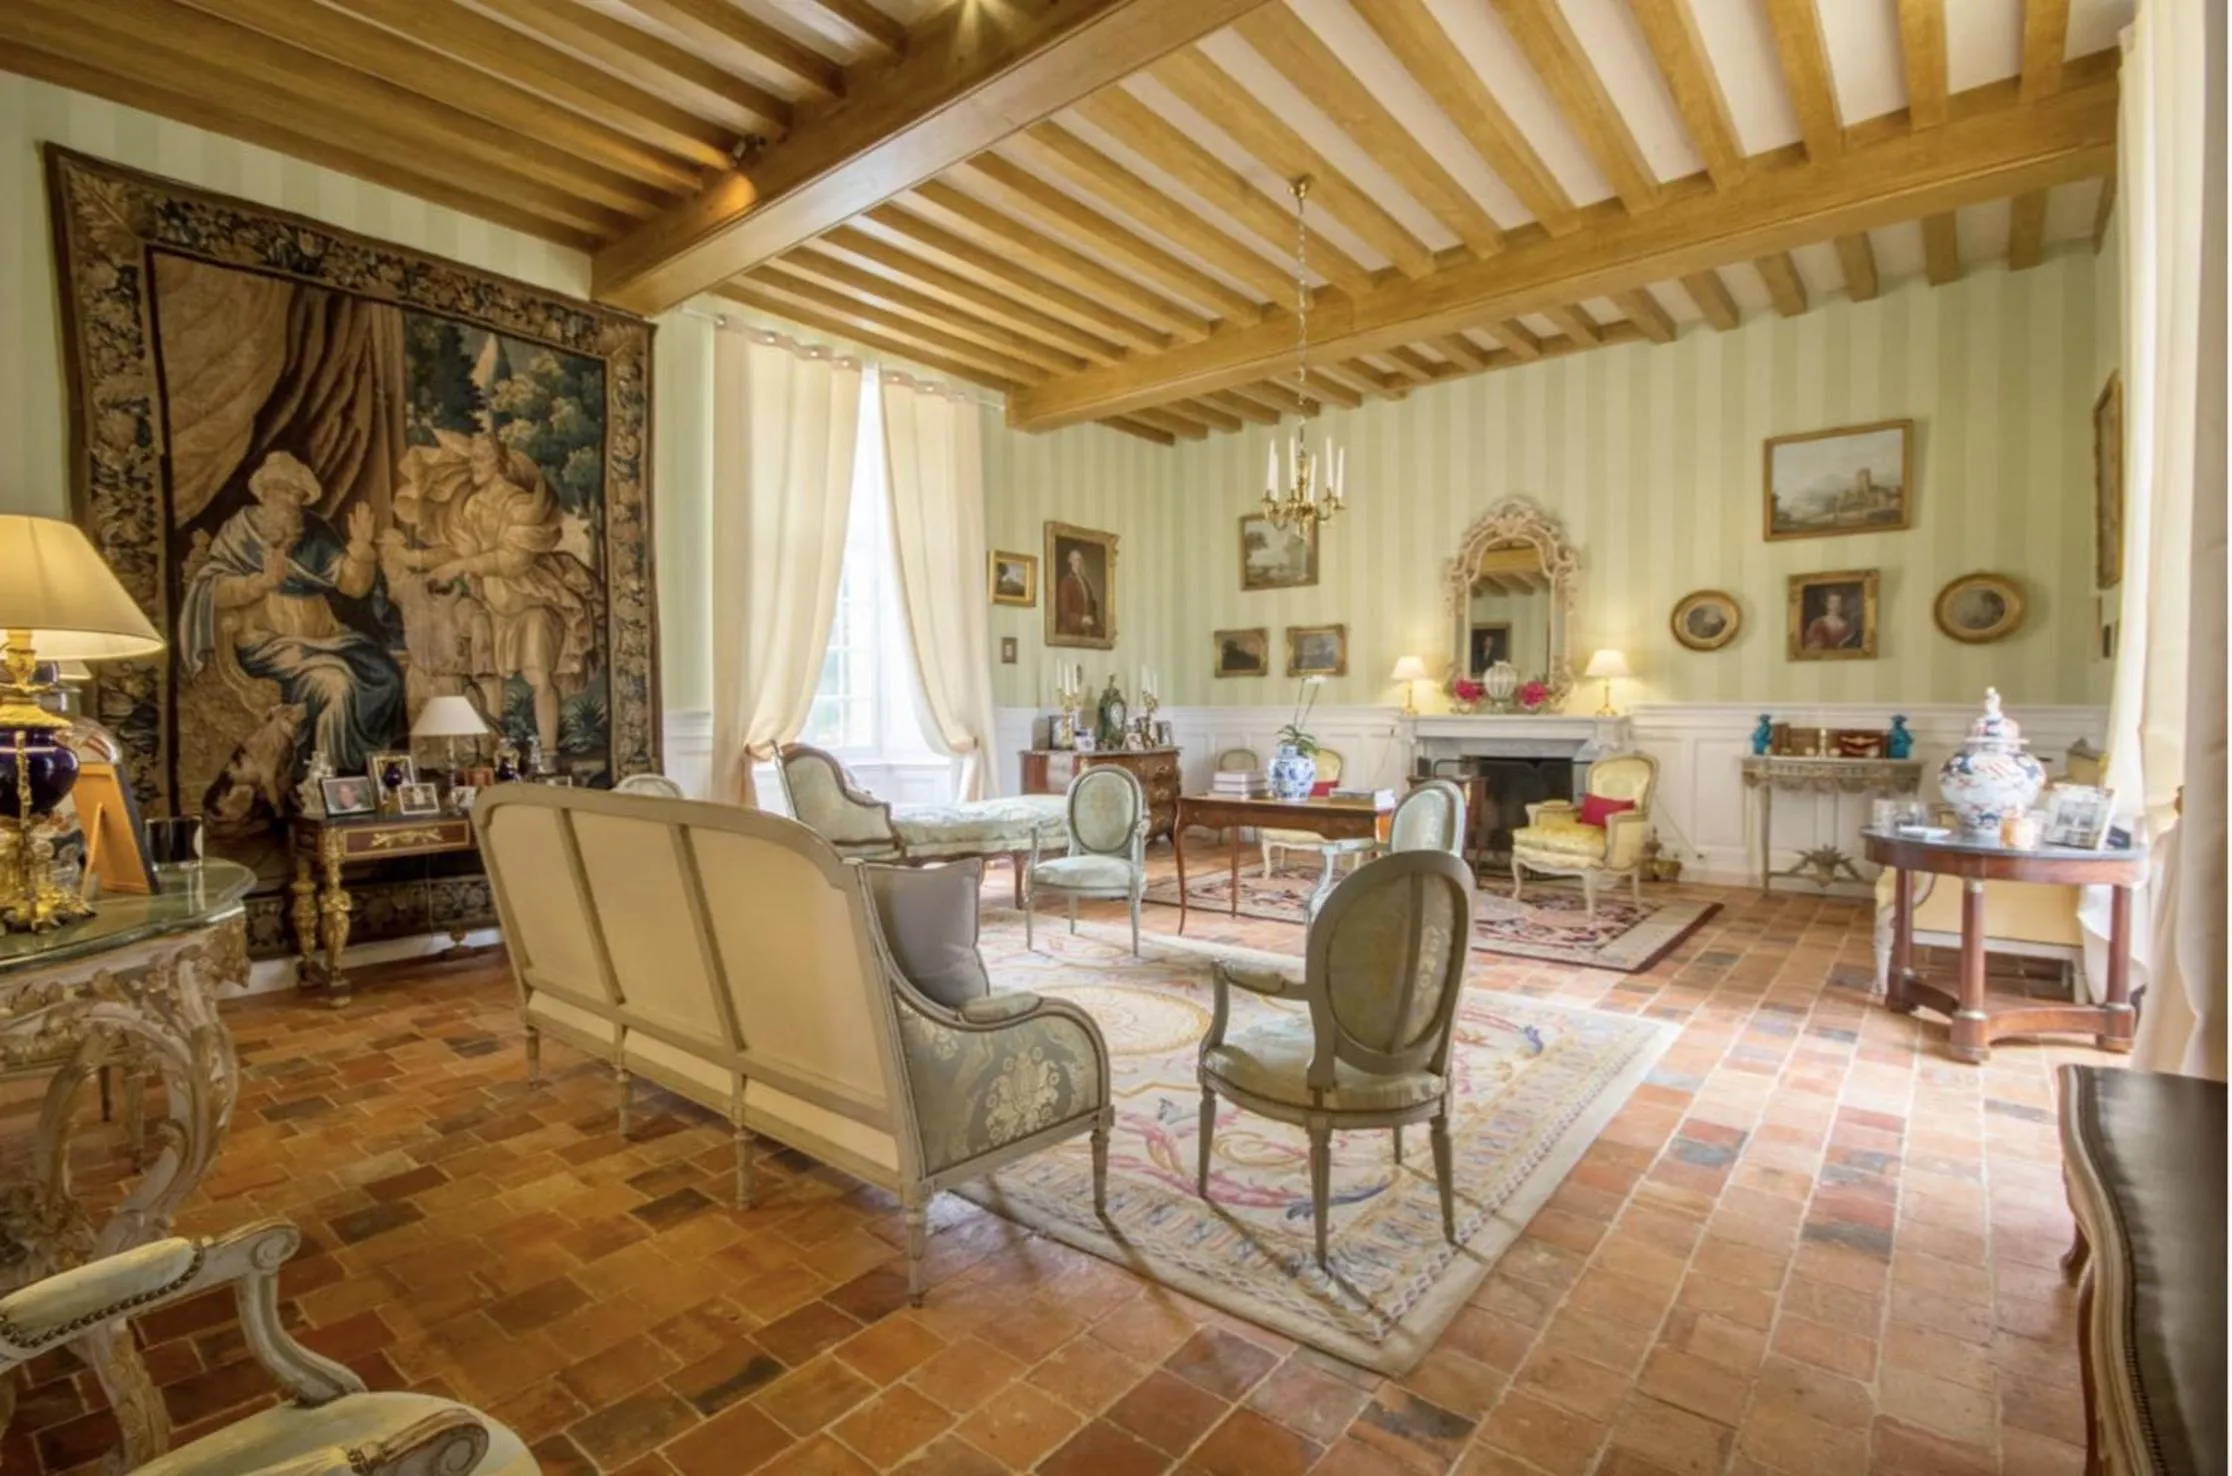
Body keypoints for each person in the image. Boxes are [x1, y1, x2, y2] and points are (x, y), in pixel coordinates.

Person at [179, 451, 406, 778]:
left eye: (297, 494)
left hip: (327, 637)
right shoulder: (241, 529)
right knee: (336, 685)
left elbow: (353, 586)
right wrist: (260, 583)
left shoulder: (315, 531)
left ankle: (372, 775)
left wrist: (360, 548)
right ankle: (332, 779)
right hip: (268, 645)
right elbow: (215, 588)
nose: (291, 500)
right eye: (284, 490)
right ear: (266, 491)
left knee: (387, 676)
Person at [390, 430, 600, 758]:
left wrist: (462, 565)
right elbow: (455, 550)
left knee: (539, 676)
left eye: (482, 458)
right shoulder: (472, 505)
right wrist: (415, 559)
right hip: (492, 603)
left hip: (528, 600)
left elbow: (513, 559)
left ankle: (548, 755)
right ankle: (494, 754)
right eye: (472, 457)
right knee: (488, 679)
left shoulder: (519, 504)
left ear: (499, 462)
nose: (475, 464)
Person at [1055, 546, 1101, 638]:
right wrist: (1081, 619)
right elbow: (1064, 612)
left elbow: (1092, 607)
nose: (1078, 562)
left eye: (1080, 560)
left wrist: (1093, 621)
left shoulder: (1085, 582)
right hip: (1071, 632)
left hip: (1086, 632)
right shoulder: (1066, 582)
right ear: (1070, 561)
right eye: (1075, 559)